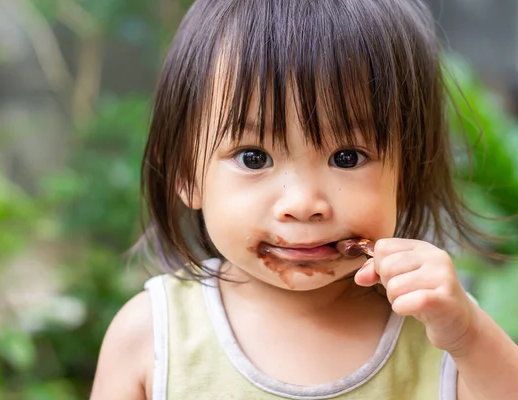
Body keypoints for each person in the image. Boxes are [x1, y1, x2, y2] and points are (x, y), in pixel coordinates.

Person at [90, 0, 518, 398]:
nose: (303, 202)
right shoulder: (152, 334)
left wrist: (468, 338)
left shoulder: (443, 329)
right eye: (253, 157)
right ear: (186, 173)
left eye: (347, 157)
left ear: (408, 173)